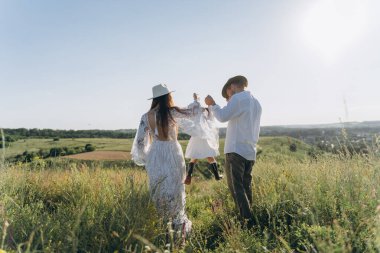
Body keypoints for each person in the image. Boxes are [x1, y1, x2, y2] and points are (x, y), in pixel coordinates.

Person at [131, 84, 194, 244]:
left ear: (154, 99)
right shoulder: (173, 112)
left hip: (156, 152)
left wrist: (147, 157)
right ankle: (178, 233)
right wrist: (197, 101)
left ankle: (163, 230)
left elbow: (139, 142)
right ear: (168, 96)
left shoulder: (146, 116)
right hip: (173, 151)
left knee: (159, 189)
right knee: (176, 189)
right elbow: (195, 114)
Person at [205, 75, 262, 228]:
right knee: (245, 186)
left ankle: (248, 223)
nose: (227, 99)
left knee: (236, 188)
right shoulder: (256, 103)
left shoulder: (238, 99)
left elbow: (222, 116)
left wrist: (212, 104)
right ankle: (250, 216)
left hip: (236, 150)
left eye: (227, 95)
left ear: (231, 87)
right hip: (250, 151)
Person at [184, 93, 222, 185]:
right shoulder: (207, 111)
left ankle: (189, 175)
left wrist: (195, 100)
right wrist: (198, 101)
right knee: (210, 156)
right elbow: (211, 119)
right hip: (205, 137)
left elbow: (193, 107)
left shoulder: (198, 111)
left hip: (196, 136)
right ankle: (217, 175)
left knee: (194, 157)